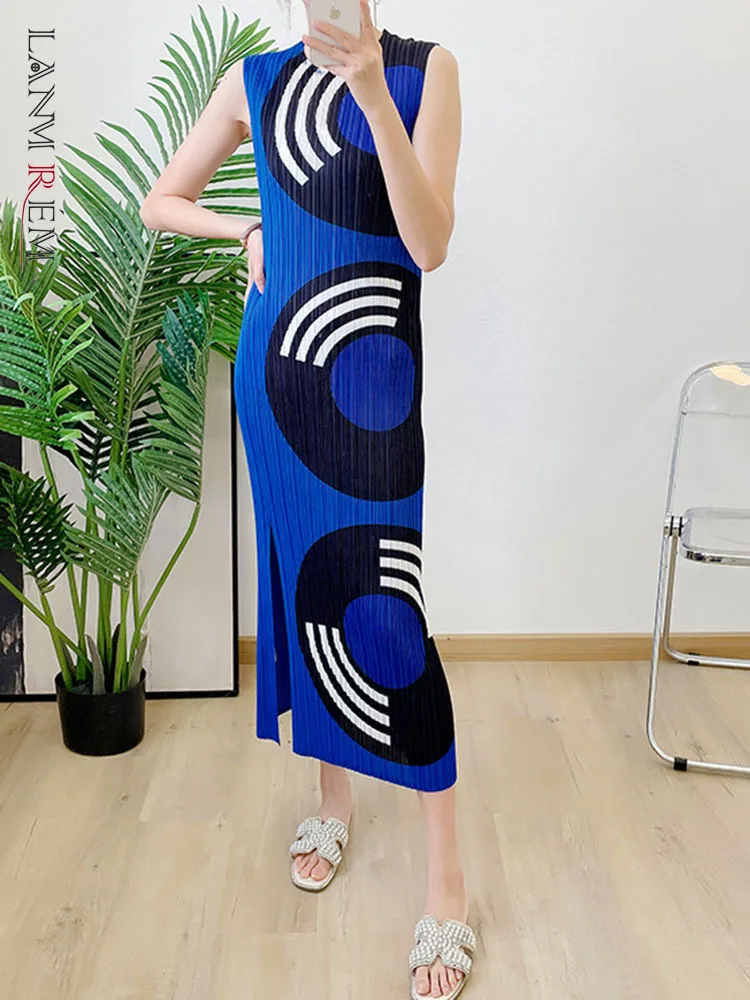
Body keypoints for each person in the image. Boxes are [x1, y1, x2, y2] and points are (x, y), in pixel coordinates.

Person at [140, 1, 471, 996]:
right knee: (307, 590)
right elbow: (162, 201)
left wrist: (369, 91)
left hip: (373, 388)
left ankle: (448, 884)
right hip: (274, 372)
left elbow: (429, 245)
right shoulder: (256, 81)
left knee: (388, 613)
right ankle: (334, 802)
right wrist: (241, 227)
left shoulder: (426, 70)